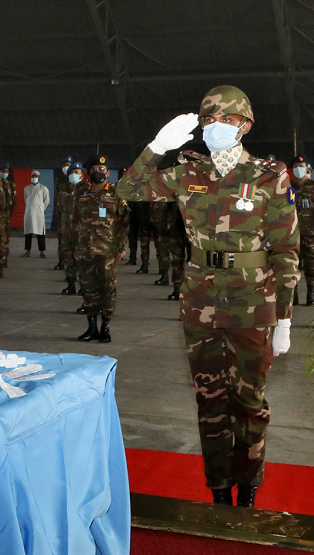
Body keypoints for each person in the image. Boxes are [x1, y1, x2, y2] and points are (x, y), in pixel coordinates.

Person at [116, 85, 299, 508]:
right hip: (199, 303)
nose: (217, 126)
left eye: (227, 120)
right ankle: (218, 488)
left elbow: (286, 252)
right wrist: (156, 147)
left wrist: (284, 317)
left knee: (249, 403)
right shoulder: (187, 174)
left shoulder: (270, 176)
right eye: (210, 120)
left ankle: (249, 489)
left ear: (245, 126)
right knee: (210, 402)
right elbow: (127, 191)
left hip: (253, 305)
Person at [72, 155, 129, 343]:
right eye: (95, 169)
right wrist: (74, 246)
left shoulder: (116, 193)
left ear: (108, 172)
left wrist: (121, 247)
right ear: (89, 172)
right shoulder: (80, 192)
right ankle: (91, 328)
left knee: (107, 289)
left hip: (107, 251)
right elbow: (73, 221)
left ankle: (105, 327)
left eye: (102, 169)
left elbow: (124, 223)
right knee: (88, 289)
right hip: (84, 250)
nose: (99, 172)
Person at [288, 155, 314, 306]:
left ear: (307, 168)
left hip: (310, 234)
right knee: (293, 265)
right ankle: (294, 294)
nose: (300, 169)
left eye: (302, 166)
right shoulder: (288, 188)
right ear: (292, 169)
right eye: (297, 166)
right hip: (292, 235)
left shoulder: (312, 186)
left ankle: (311, 293)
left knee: (311, 265)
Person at [60, 162, 87, 295]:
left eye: (77, 172)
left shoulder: (86, 191)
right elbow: (61, 209)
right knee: (68, 259)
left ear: (82, 175)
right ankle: (71, 285)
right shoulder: (64, 190)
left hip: (80, 232)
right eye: (72, 173)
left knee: (82, 261)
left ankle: (84, 287)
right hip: (66, 231)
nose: (74, 175)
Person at [22, 170, 50, 257]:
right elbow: (26, 198)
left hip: (39, 214)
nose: (34, 177)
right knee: (28, 233)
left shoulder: (43, 188)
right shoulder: (26, 188)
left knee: (40, 233)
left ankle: (42, 252)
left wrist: (41, 209)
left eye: (36, 176)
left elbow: (46, 200)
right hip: (29, 213)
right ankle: (28, 251)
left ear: (39, 177)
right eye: (33, 176)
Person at [0, 160, 16, 270]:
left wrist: (8, 212)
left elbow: (13, 201)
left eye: (6, 171)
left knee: (5, 238)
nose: (5, 173)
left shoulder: (10, 184)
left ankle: (3, 259)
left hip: (5, 216)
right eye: (3, 171)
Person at [53, 155, 73, 267]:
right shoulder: (59, 181)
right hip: (62, 214)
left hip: (73, 215)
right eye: (64, 165)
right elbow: (57, 197)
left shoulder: (76, 179)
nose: (66, 167)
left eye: (68, 165)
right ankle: (61, 261)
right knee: (61, 239)